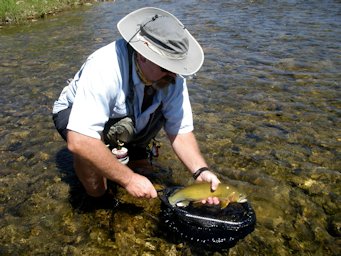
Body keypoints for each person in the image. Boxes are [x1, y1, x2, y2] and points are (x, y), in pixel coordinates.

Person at [52, 7, 220, 206]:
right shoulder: (104, 66)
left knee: (144, 170)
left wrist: (201, 171)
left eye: (176, 67)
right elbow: (80, 140)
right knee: (91, 160)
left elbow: (180, 131)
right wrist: (128, 179)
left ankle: (130, 153)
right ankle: (98, 202)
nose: (174, 75)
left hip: (128, 116)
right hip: (75, 114)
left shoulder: (171, 76)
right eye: (166, 67)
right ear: (143, 54)